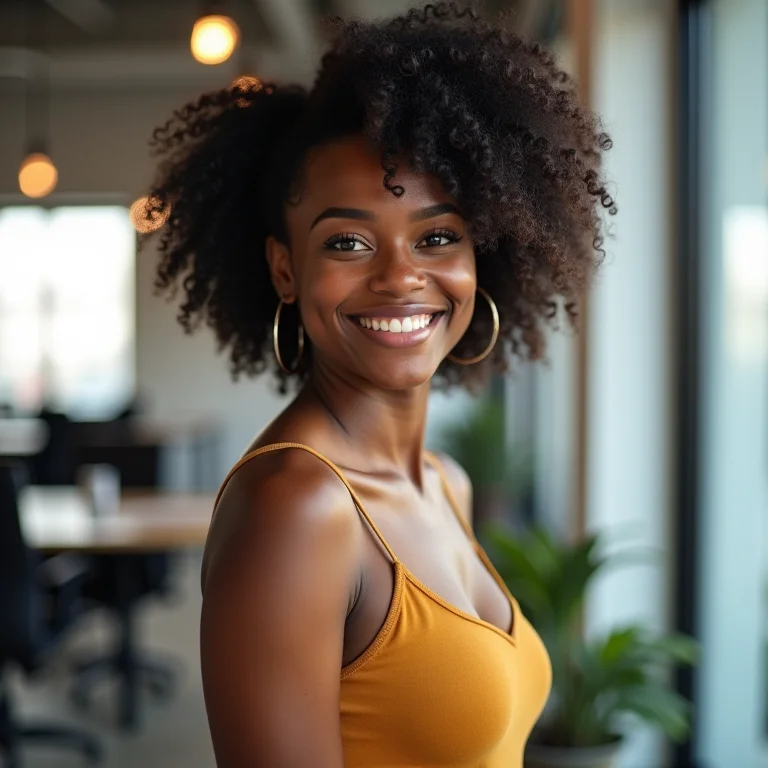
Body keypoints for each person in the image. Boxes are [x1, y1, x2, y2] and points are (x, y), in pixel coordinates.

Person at [142, 3, 614, 765]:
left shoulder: (446, 482)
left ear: (481, 255)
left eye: (437, 236)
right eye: (348, 242)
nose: (400, 276)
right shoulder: (296, 508)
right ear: (285, 269)